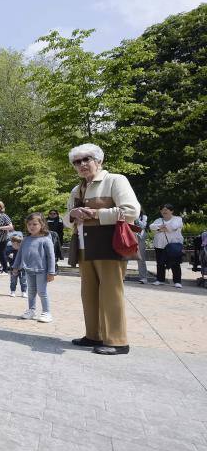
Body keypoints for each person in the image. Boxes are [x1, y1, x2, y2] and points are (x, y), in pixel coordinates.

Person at [64, 143, 140, 355]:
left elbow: (131, 211)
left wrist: (96, 214)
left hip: (109, 246)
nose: (81, 165)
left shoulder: (115, 180)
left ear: (99, 160)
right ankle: (93, 335)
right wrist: (72, 215)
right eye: (77, 162)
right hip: (83, 247)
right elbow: (66, 220)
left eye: (86, 159)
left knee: (111, 293)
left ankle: (117, 341)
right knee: (88, 294)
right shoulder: (76, 189)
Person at [12, 213, 56, 323]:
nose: (31, 226)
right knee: (31, 291)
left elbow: (51, 257)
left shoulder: (46, 239)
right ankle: (31, 310)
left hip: (42, 271)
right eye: (29, 224)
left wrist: (51, 272)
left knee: (42, 292)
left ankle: (46, 312)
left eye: (35, 224)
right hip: (28, 270)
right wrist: (15, 267)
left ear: (42, 225)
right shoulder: (25, 240)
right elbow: (20, 254)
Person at [149, 204, 184, 288]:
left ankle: (177, 282)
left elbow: (173, 226)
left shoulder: (178, 219)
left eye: (166, 209)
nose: (164, 211)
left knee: (175, 263)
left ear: (171, 211)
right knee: (160, 263)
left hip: (173, 245)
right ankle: (160, 280)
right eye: (162, 210)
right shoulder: (158, 219)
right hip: (159, 245)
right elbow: (151, 226)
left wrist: (159, 228)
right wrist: (160, 228)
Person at [133, 210, 149, 284]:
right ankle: (122, 277)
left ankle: (143, 278)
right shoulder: (128, 214)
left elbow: (142, 226)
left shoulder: (144, 217)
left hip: (140, 237)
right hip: (130, 236)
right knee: (125, 257)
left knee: (141, 258)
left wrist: (135, 218)